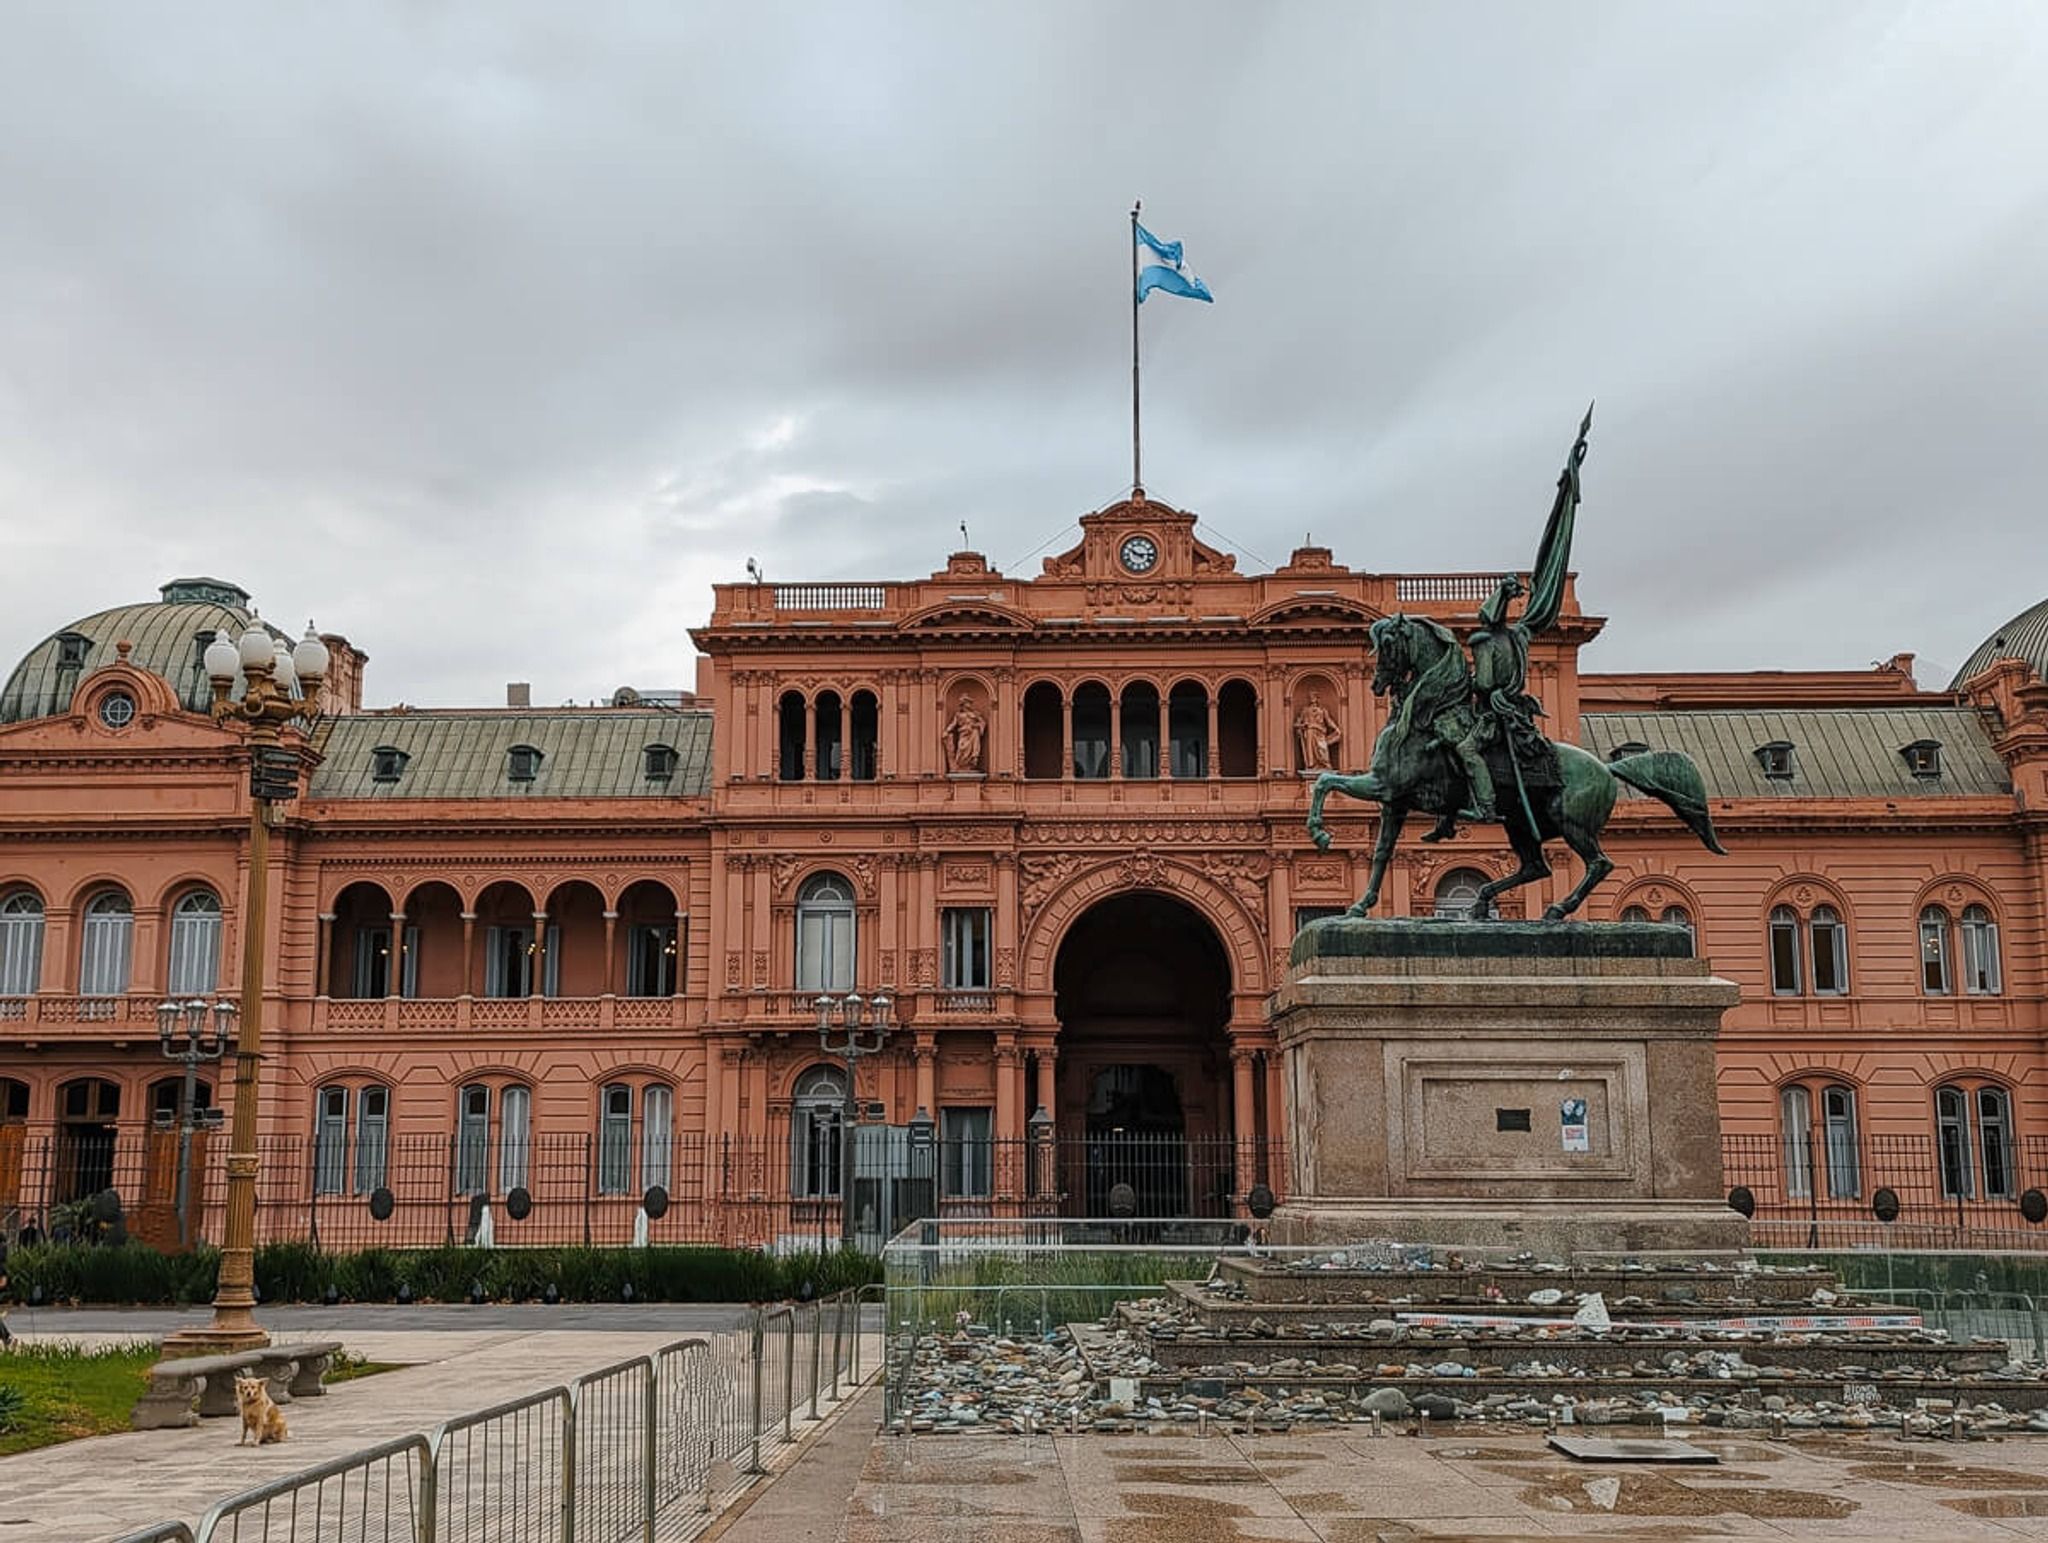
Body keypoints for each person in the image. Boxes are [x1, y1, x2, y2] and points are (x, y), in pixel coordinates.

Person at [1294, 691, 1340, 771]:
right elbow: (1297, 724)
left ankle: (1325, 765)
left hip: (1320, 732)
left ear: (1317, 698)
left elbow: (1328, 721)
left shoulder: (1322, 710)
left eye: (1314, 696)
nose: (1312, 698)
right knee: (1311, 752)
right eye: (1311, 697)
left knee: (1322, 749)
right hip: (1309, 733)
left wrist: (1336, 728)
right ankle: (1312, 766)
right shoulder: (1305, 710)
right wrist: (1303, 726)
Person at [941, 695, 986, 772]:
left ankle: (972, 762)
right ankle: (961, 765)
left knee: (973, 749)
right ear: (963, 704)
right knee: (962, 749)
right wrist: (947, 731)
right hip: (963, 734)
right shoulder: (958, 715)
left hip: (973, 734)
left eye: (970, 703)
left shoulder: (975, 714)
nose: (969, 704)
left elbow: (982, 722)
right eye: (967, 703)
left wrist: (977, 726)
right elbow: (953, 724)